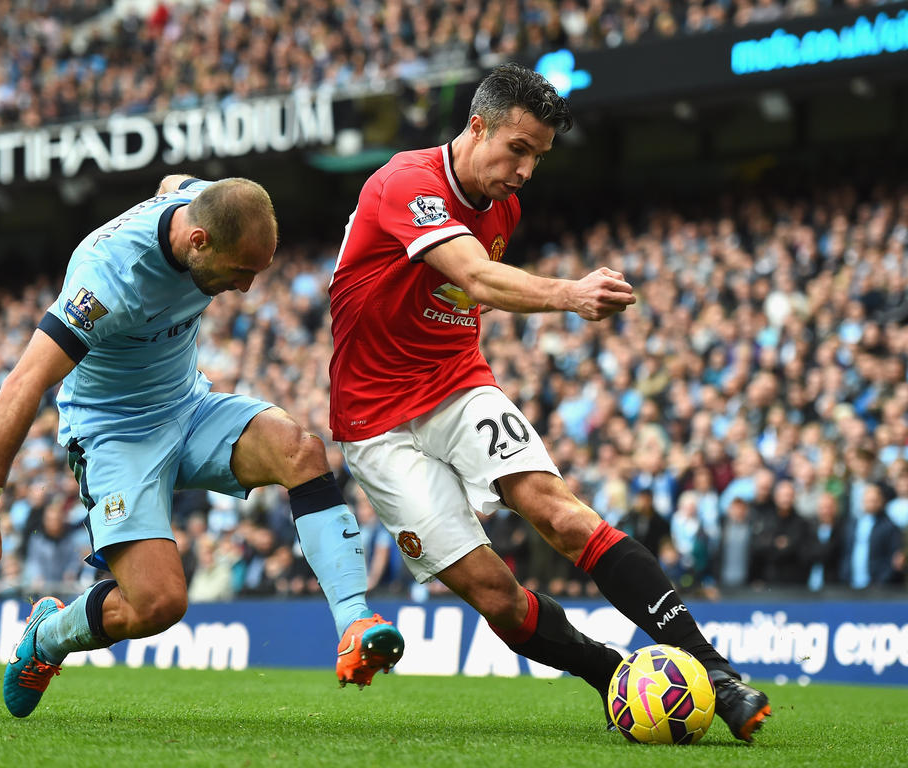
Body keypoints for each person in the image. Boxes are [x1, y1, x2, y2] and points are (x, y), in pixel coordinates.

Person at [327, 62, 770, 741]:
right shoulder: (404, 183)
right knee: (495, 596)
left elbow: (467, 293)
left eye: (538, 157)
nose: (526, 170)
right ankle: (611, 675)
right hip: (375, 424)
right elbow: (473, 275)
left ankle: (713, 672)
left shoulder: (504, 205)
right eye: (519, 149)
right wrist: (568, 294)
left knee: (560, 515)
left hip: (456, 383)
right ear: (477, 126)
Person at [0, 175, 403, 719]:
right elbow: (23, 382)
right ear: (199, 241)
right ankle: (47, 637)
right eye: (240, 272)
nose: (247, 288)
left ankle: (353, 621)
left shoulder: (204, 204)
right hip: (114, 433)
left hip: (187, 408)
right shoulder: (109, 279)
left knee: (299, 450)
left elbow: (174, 182)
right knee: (159, 605)